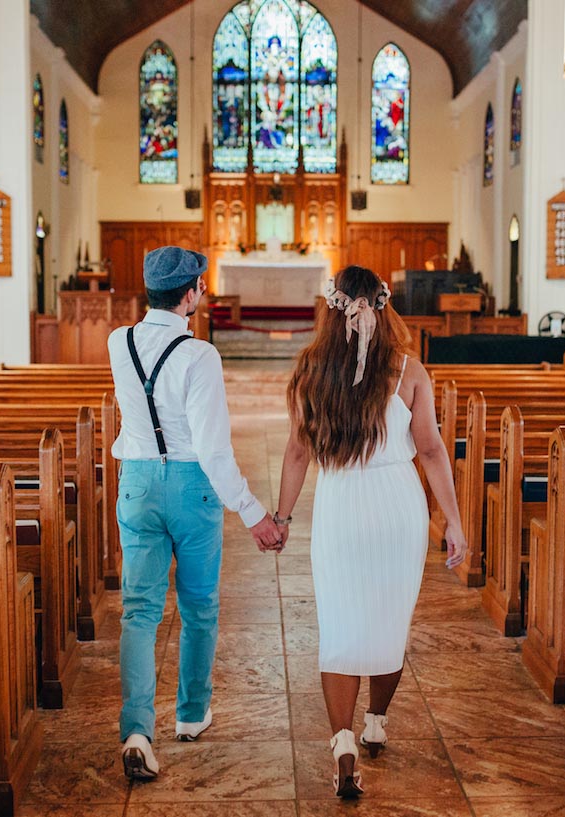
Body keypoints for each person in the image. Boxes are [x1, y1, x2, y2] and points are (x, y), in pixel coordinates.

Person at [271, 265, 468, 799]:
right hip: (397, 507)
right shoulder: (408, 370)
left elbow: (297, 452)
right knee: (388, 622)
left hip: (340, 506)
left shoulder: (311, 369)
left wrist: (283, 518)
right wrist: (452, 519)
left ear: (331, 309)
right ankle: (376, 720)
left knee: (340, 625)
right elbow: (430, 450)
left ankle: (342, 741)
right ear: (382, 305)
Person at [108, 246, 283, 781]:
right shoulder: (200, 355)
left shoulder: (119, 342)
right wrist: (253, 513)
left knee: (140, 610)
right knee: (199, 605)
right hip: (192, 486)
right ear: (190, 294)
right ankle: (189, 714)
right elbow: (213, 450)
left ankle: (137, 729)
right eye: (200, 285)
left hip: (136, 481)